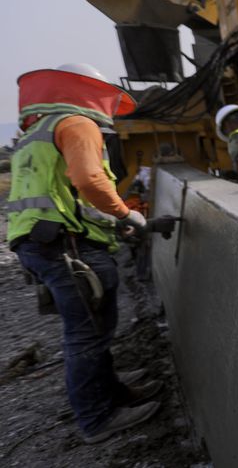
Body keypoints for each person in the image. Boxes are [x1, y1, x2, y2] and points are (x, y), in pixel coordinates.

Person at [7, 63, 162, 444]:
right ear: (87, 93)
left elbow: (64, 195)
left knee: (93, 328)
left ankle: (112, 392)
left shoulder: (35, 132)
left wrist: (112, 224)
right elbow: (88, 180)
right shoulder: (77, 124)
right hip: (65, 245)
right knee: (86, 334)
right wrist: (127, 215)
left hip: (39, 242)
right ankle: (97, 417)